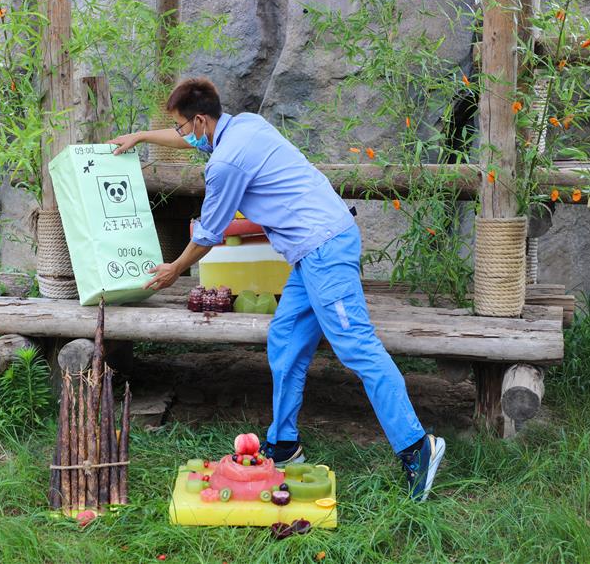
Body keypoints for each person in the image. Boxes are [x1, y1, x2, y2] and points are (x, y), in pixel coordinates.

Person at [110, 77, 445, 501]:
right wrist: (140, 135)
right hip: (311, 252)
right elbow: (189, 141)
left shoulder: (227, 162)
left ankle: (417, 446)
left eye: (180, 126)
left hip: (325, 248)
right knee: (285, 339)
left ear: (199, 120)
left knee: (356, 346)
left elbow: (210, 233)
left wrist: (175, 268)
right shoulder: (244, 124)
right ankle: (284, 444)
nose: (179, 134)